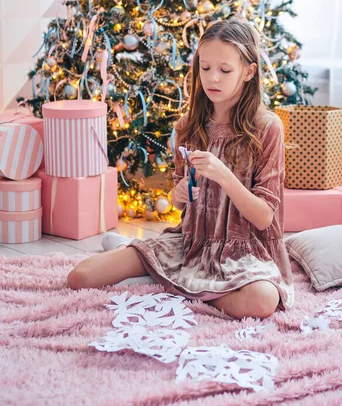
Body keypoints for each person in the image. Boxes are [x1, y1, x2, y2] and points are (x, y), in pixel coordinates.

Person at [67, 19, 295, 320]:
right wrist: (177, 195)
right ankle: (179, 279)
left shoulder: (267, 128)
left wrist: (224, 175)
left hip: (244, 253)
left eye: (225, 70)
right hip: (190, 243)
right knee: (80, 277)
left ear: (249, 72)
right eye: (205, 67)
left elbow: (265, 217)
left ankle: (170, 282)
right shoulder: (188, 126)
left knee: (262, 300)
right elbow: (180, 206)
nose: (212, 78)